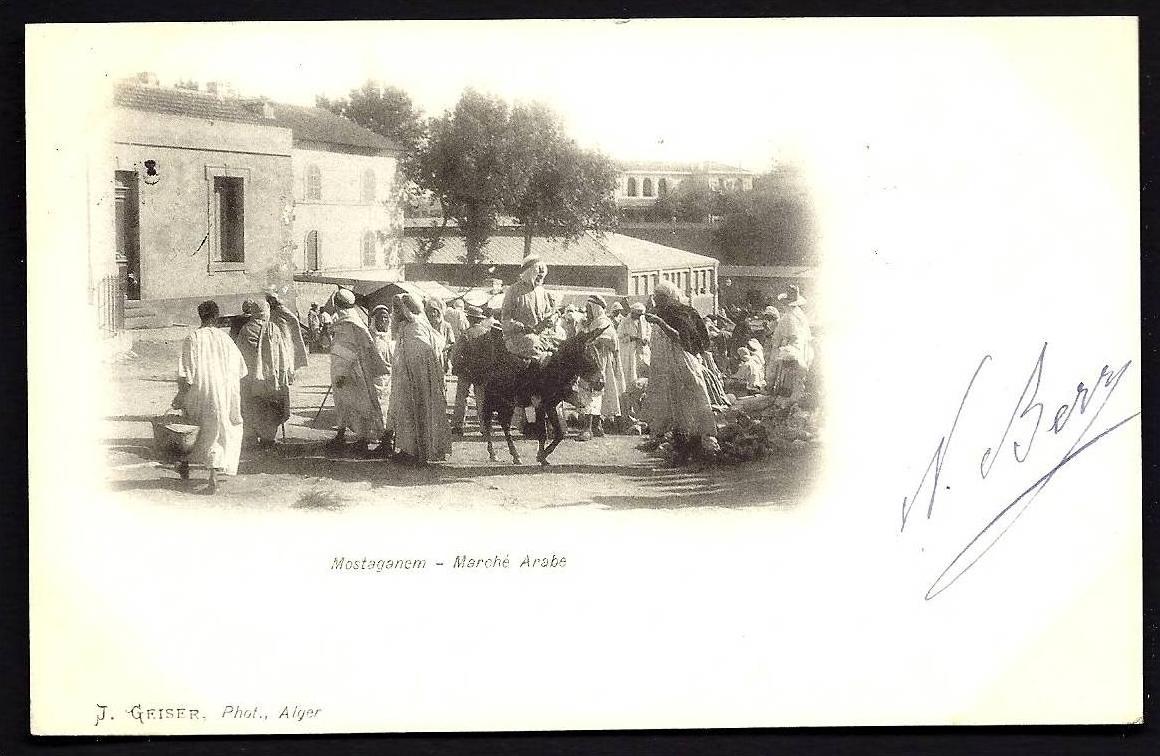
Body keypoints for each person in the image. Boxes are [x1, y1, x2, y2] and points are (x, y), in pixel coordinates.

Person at [173, 300, 248, 493]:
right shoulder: (226, 339)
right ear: (216, 317)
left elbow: (186, 373)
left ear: (201, 316)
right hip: (224, 392)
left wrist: (180, 396)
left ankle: (185, 463)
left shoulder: (193, 338)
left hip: (201, 392)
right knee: (219, 431)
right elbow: (241, 370)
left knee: (196, 431)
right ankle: (213, 475)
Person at [641, 281, 718, 466]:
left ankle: (703, 445)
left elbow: (680, 337)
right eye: (656, 297)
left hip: (682, 361)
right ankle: (681, 450)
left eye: (661, 298)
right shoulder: (662, 312)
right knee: (674, 405)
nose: (657, 301)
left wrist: (660, 322)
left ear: (670, 297)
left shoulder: (681, 313)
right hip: (666, 365)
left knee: (693, 398)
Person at [233, 294, 307, 450]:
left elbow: (238, 355)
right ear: (266, 310)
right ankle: (268, 438)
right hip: (272, 378)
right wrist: (284, 373)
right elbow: (282, 354)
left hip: (251, 379)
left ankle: (252, 437)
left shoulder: (246, 330)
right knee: (270, 408)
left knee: (252, 406)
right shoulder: (274, 329)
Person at [387, 293, 452, 464]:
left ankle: (415, 451)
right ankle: (410, 448)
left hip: (416, 384)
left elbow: (419, 357)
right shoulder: (409, 327)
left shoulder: (415, 328)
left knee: (415, 412)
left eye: (398, 309)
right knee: (408, 412)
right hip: (409, 382)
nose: (395, 313)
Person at [329, 288, 389, 454]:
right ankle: (342, 435)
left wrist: (342, 373)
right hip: (343, 370)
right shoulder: (346, 321)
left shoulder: (350, 324)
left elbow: (350, 351)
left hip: (351, 372)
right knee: (343, 404)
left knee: (359, 406)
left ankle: (362, 439)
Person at [576, 295, 626, 439]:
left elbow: (612, 341)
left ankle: (588, 428)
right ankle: (596, 426)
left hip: (599, 362)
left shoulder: (603, 322)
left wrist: (596, 339)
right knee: (591, 391)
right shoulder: (591, 323)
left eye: (589, 309)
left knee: (593, 391)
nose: (587, 312)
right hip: (589, 361)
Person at [500, 255, 555, 361]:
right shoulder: (513, 291)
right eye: (537, 275)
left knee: (562, 337)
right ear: (529, 272)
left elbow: (548, 312)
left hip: (541, 334)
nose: (540, 277)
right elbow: (505, 320)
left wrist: (550, 320)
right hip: (518, 336)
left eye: (542, 276)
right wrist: (522, 327)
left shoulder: (542, 291)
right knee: (532, 341)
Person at [449, 304, 493, 435]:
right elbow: (491, 354)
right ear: (480, 320)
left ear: (470, 319)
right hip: (481, 370)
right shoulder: (487, 334)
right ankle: (485, 427)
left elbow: (456, 353)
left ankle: (458, 426)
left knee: (461, 398)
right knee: (482, 399)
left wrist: (455, 365)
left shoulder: (465, 334)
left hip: (466, 370)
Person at [768, 284, 814, 401]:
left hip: (790, 348)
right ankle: (793, 393)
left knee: (780, 367)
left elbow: (786, 336)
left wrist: (779, 344)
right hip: (801, 348)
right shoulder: (800, 315)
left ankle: (778, 391)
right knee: (796, 376)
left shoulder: (788, 317)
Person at [369, 304, 395, 454]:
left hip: (390, 379)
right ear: (374, 320)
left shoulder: (392, 337)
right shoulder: (370, 337)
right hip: (375, 378)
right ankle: (376, 436)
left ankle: (387, 439)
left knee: (388, 409)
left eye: (386, 317)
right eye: (380, 318)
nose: (383, 320)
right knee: (376, 407)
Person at [617, 301, 651, 387]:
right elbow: (619, 337)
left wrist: (646, 339)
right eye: (637, 315)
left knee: (643, 371)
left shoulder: (644, 322)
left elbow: (648, 332)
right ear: (633, 313)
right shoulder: (625, 322)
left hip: (642, 350)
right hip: (629, 351)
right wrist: (631, 338)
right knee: (630, 373)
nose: (639, 317)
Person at [423, 297, 456, 373]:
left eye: (434, 311)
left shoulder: (446, 326)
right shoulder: (424, 326)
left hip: (441, 359)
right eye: (429, 311)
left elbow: (452, 343)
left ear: (439, 312)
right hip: (426, 359)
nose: (432, 314)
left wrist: (441, 349)